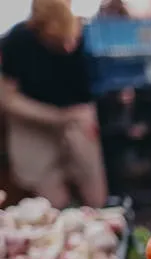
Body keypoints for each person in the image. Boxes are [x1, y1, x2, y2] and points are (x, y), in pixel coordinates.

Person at [0, 0, 107, 209]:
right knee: (53, 202)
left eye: (71, 40)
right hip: (33, 121)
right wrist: (57, 117)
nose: (68, 47)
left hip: (77, 118)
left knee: (96, 196)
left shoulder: (88, 36)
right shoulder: (17, 41)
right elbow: (7, 99)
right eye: (59, 41)